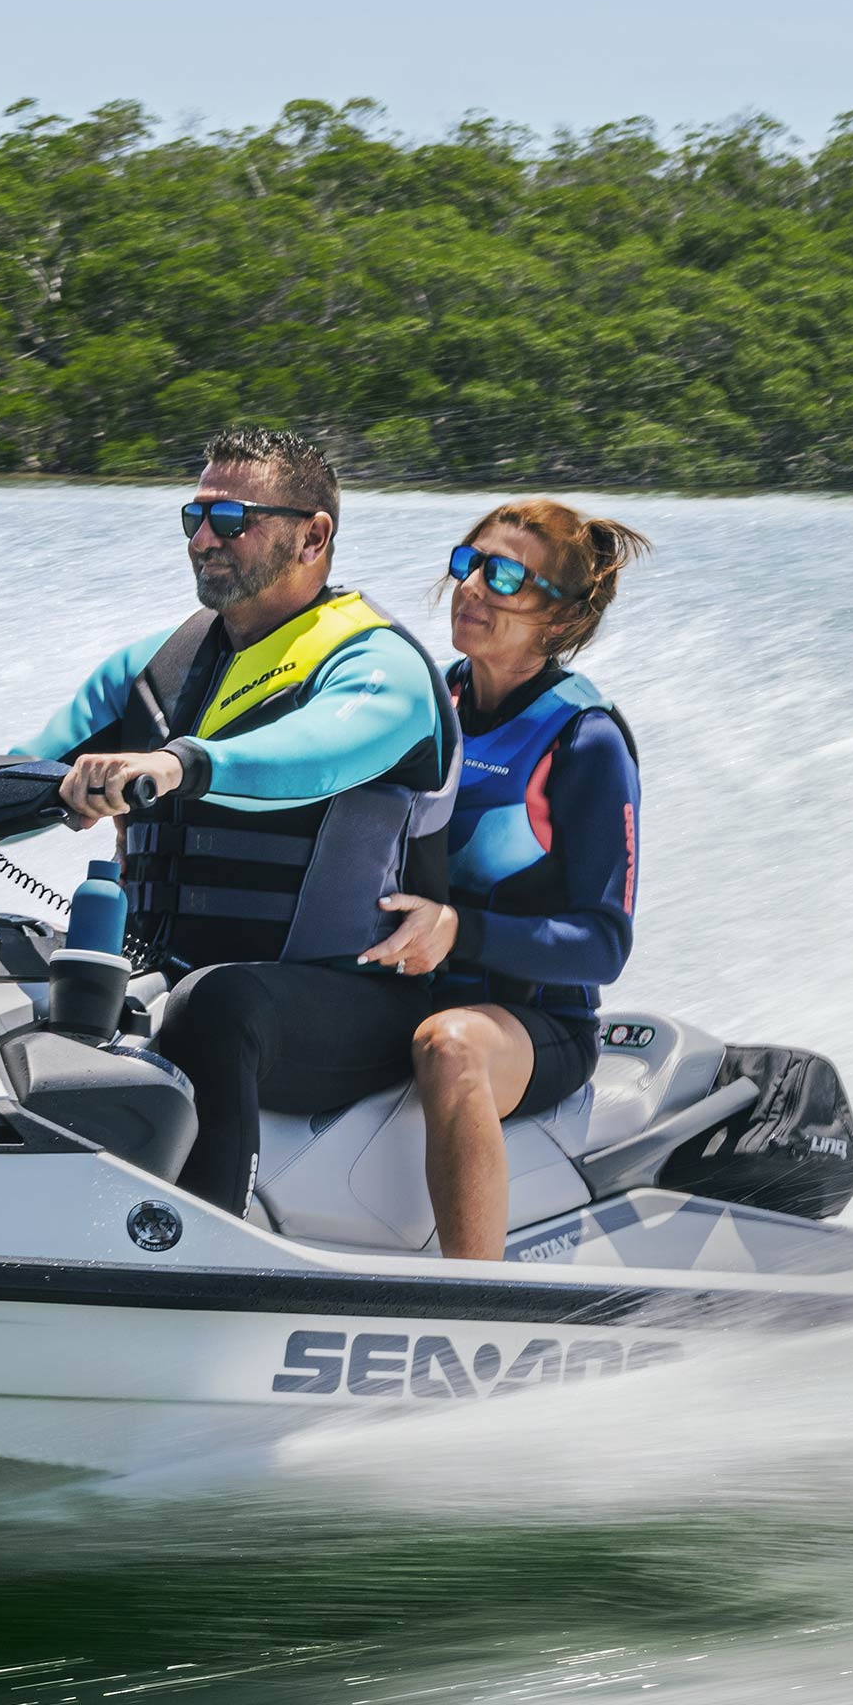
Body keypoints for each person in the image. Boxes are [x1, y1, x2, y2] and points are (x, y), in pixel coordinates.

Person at [0, 425, 461, 1217]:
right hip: (163, 962)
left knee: (219, 1004)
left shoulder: (381, 669)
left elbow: (315, 753)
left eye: (232, 519)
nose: (205, 539)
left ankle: (203, 1260)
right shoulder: (151, 672)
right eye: (193, 517)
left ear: (314, 535)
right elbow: (18, 774)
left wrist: (180, 765)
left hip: (352, 997)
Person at [362, 499, 644, 1255]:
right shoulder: (420, 703)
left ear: (560, 619)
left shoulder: (585, 739)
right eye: (468, 562)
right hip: (393, 996)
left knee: (449, 1044)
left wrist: (459, 933)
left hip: (532, 1027)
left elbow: (602, 946)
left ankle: (473, 1298)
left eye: (507, 576)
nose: (474, 587)